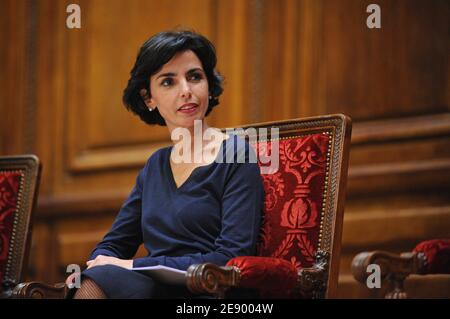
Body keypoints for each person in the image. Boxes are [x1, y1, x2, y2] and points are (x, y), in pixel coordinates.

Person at [67, 30, 264, 299]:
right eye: (168, 82)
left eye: (195, 77)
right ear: (149, 98)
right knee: (93, 279)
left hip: (211, 291)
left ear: (208, 85)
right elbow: (113, 245)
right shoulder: (155, 165)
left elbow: (231, 257)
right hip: (154, 288)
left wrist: (133, 265)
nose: (186, 91)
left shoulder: (237, 155)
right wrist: (101, 262)